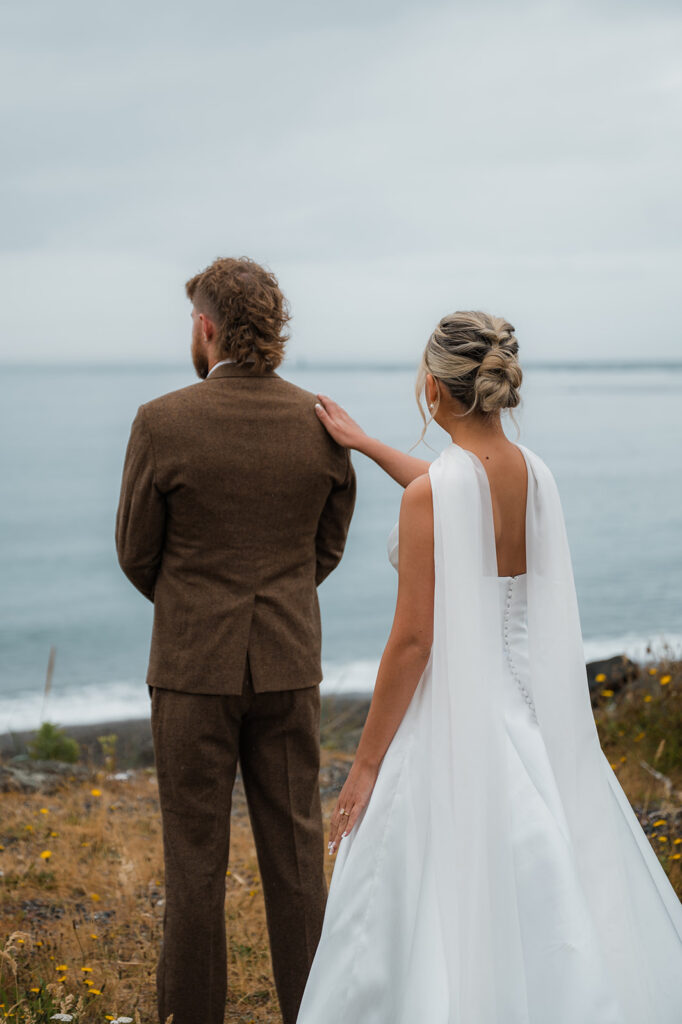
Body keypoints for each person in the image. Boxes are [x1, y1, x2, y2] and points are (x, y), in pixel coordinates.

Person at [297, 311, 682, 1024]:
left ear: (434, 388)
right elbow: (454, 494)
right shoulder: (532, 474)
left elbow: (413, 641)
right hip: (524, 706)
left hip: (452, 707)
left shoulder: (436, 494)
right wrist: (367, 444)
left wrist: (367, 764)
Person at [115, 256, 356, 1024]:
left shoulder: (161, 421)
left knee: (194, 865)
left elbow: (136, 552)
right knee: (297, 861)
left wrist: (195, 607)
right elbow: (327, 547)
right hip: (288, 663)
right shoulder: (323, 422)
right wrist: (278, 602)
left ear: (205, 327)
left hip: (192, 670)